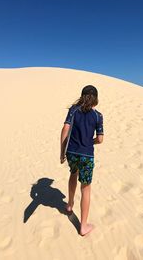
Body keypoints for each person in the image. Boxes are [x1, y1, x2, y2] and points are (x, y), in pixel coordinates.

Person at [60, 85, 104, 236]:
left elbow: (65, 130)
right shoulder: (98, 116)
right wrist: (89, 142)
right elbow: (100, 139)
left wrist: (62, 151)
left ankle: (70, 205)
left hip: (72, 152)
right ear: (96, 99)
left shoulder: (73, 110)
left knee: (73, 173)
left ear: (82, 96)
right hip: (87, 156)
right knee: (85, 188)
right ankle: (83, 226)